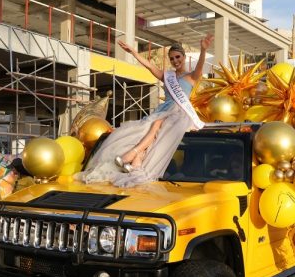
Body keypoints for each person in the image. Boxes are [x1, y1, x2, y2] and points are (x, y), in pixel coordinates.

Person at [76, 34, 213, 187]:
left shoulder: (191, 77)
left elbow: (200, 67)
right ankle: (136, 161)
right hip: (163, 110)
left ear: (184, 56)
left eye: (178, 57)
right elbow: (149, 66)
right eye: (172, 58)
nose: (175, 61)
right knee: (148, 132)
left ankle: (132, 155)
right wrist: (133, 52)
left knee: (156, 126)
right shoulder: (166, 76)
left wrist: (203, 49)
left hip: (179, 114)